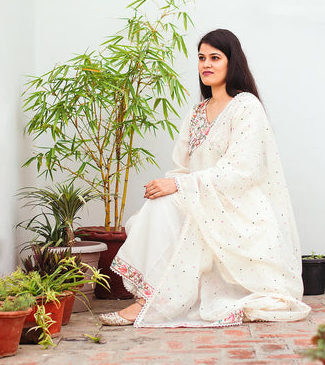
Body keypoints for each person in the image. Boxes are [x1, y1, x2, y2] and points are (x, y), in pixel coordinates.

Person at [99, 29, 311, 327]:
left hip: (237, 207)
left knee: (170, 206)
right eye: (201, 58)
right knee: (157, 207)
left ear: (231, 62)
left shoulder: (246, 106)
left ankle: (152, 302)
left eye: (215, 57)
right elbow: (181, 168)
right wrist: (168, 186)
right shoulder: (196, 113)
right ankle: (148, 298)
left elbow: (242, 170)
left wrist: (181, 185)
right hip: (201, 196)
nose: (206, 64)